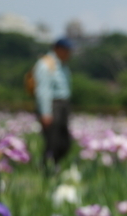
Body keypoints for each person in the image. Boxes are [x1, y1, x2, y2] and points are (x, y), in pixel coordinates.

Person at [34, 38, 73, 172]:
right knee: (53, 141)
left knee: (65, 142)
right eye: (67, 51)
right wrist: (45, 113)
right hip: (52, 106)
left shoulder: (62, 65)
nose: (69, 54)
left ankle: (53, 166)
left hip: (62, 106)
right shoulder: (45, 64)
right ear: (58, 49)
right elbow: (43, 90)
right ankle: (47, 169)